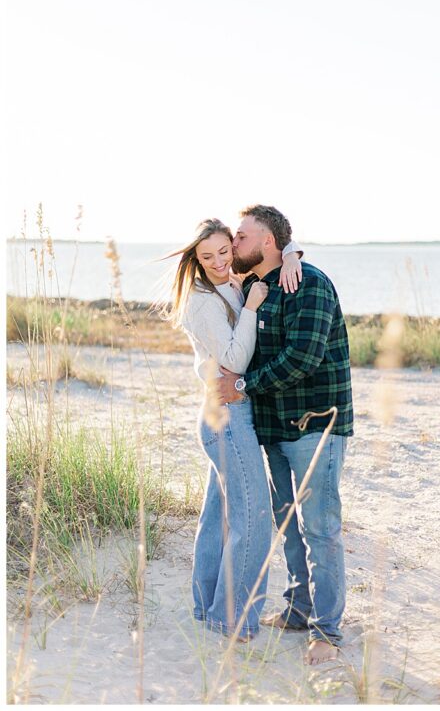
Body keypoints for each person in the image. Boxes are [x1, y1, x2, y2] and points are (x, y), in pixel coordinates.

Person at [216, 205, 354, 666]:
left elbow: (303, 358)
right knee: (288, 524)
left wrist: (240, 386)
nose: (234, 244)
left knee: (320, 528)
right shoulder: (255, 287)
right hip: (271, 429)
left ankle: (327, 631)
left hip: (316, 425)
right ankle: (298, 609)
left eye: (240, 237)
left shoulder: (308, 282)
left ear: (269, 243)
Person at [167, 219, 302, 641]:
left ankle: (207, 608)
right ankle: (232, 619)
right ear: (195, 258)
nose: (219, 262)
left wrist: (293, 252)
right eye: (207, 257)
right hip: (225, 416)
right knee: (254, 518)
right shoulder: (204, 300)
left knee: (219, 520)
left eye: (224, 251)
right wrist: (250, 308)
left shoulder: (232, 279)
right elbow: (234, 361)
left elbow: (272, 241)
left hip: (228, 414)